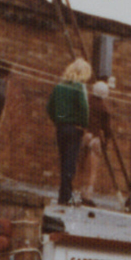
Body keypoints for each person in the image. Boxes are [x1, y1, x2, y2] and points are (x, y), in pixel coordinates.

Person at [46, 58, 93, 204]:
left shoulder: (59, 87)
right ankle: (66, 195)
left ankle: (64, 194)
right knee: (70, 162)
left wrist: (57, 120)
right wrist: (84, 125)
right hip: (75, 128)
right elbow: (84, 108)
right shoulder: (78, 87)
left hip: (61, 127)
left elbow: (49, 107)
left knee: (63, 160)